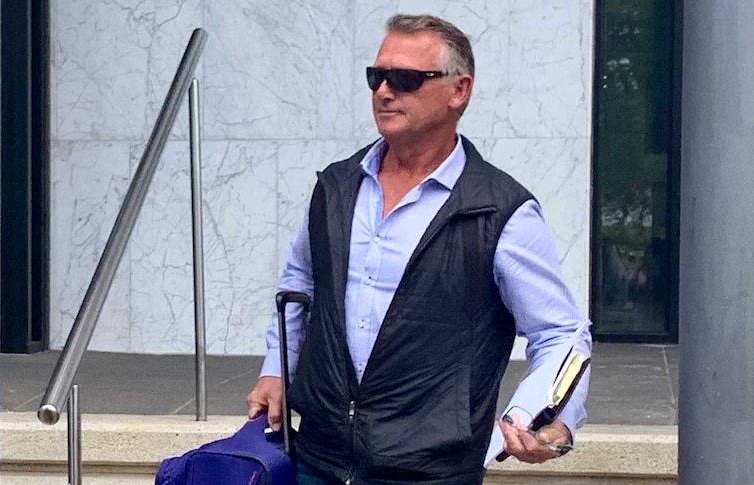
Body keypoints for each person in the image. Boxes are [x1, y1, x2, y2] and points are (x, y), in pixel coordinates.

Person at [247, 13, 592, 485]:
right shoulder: (335, 187)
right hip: (319, 459)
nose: (385, 91)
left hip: (430, 471)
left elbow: (561, 333)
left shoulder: (499, 211)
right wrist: (276, 371)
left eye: (406, 79)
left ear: (459, 90)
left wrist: (535, 414)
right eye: (377, 77)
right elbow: (300, 285)